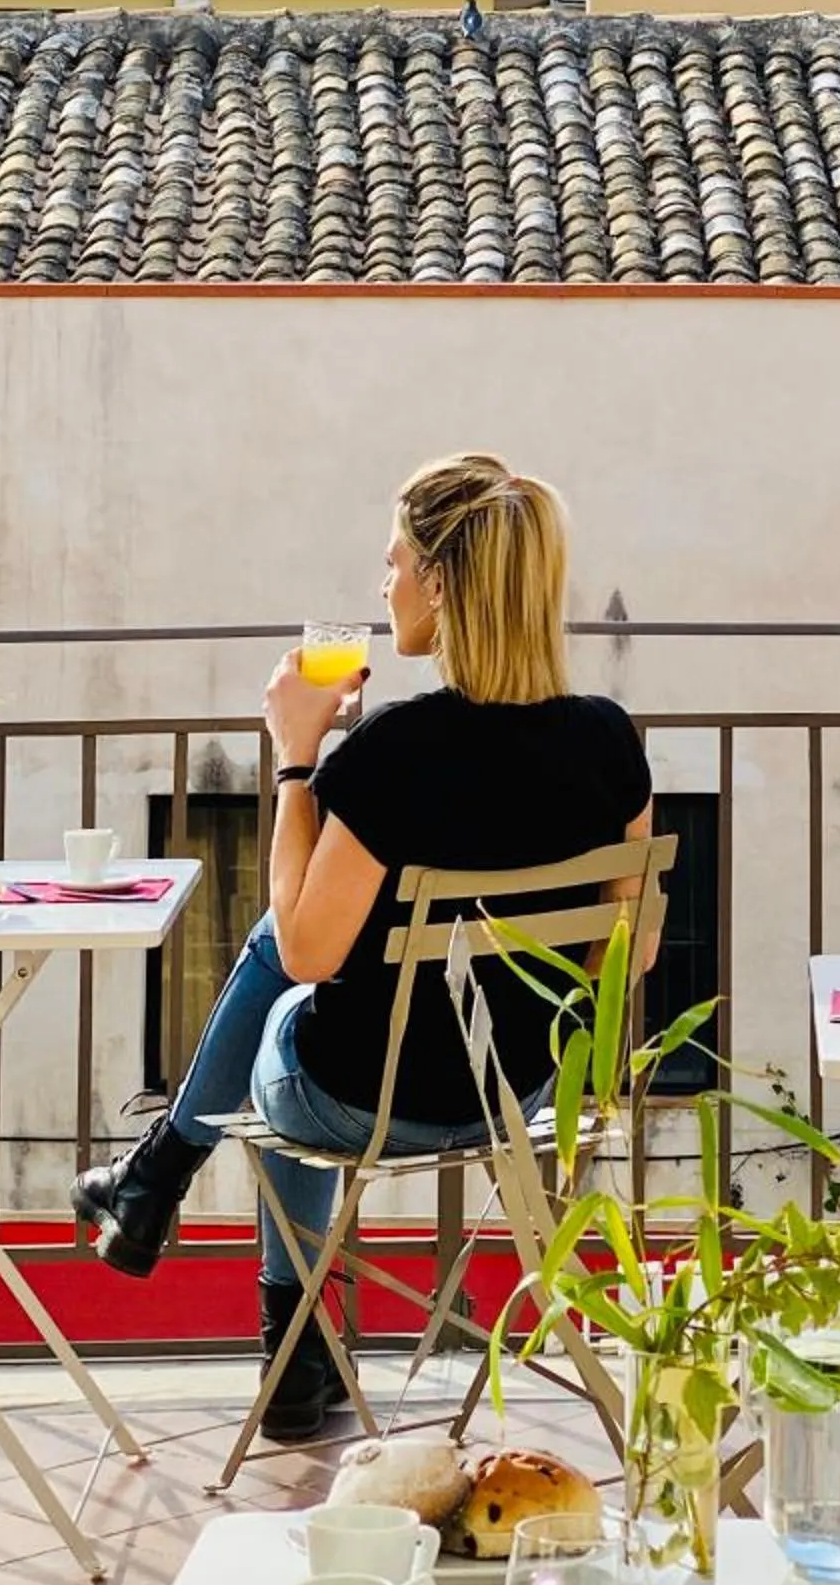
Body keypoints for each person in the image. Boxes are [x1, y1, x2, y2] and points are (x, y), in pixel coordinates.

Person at [71, 452, 656, 1442]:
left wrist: (300, 758)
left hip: (363, 1104)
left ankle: (265, 1315)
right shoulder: (607, 738)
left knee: (286, 999)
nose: (381, 586)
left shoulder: (396, 751)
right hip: (516, 1097)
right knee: (301, 996)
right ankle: (158, 1184)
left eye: (392, 563)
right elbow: (630, 956)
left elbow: (305, 947)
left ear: (438, 581)